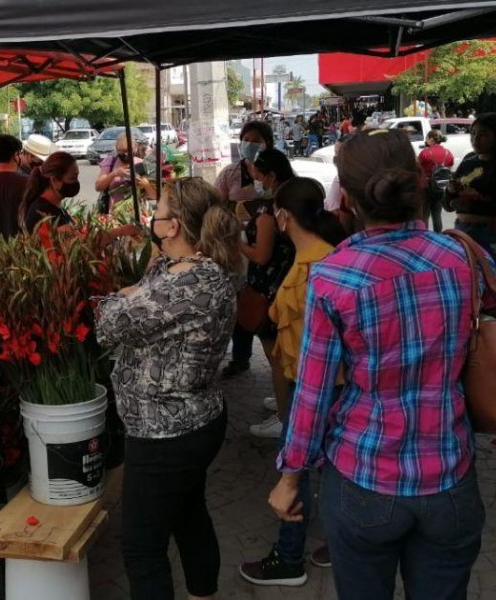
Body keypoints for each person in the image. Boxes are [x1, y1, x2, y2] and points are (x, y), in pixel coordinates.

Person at [271, 128, 496, 600]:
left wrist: (291, 475)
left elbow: (313, 394)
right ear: (419, 182)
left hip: (363, 478)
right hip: (450, 476)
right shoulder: (463, 254)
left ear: (351, 199)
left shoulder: (334, 273)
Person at [94, 177, 241, 600]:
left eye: (155, 213)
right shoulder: (182, 268)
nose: (151, 220)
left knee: (142, 546)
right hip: (191, 422)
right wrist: (129, 295)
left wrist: (122, 297)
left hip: (166, 433)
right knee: (189, 516)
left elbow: (109, 323)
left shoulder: (190, 284)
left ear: (172, 226)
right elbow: (137, 295)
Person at [239, 178, 346, 587]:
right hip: (325, 381)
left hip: (317, 385)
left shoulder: (316, 267)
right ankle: (338, 543)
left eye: (273, 212)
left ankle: (288, 558)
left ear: (284, 216)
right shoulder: (323, 255)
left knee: (295, 468)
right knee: (333, 467)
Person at [226, 149, 296, 440]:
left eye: (257, 172)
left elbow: (260, 255)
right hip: (281, 283)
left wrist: (237, 240)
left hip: (269, 288)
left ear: (271, 175)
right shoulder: (285, 203)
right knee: (280, 356)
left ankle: (284, 417)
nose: (253, 177)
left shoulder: (270, 213)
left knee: (275, 357)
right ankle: (284, 405)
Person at [446, 112, 496, 282]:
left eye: (483, 134)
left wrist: (475, 206)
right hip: (463, 231)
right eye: (473, 133)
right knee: (466, 285)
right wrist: (451, 191)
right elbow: (448, 204)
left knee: (493, 286)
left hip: (495, 234)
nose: (476, 139)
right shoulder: (467, 162)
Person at [21, 151, 140, 241]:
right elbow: (83, 244)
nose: (76, 182)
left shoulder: (53, 205)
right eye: (72, 178)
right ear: (54, 180)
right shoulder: (43, 212)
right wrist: (121, 231)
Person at [214, 120, 274, 217]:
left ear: (267, 143)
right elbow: (215, 205)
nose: (250, 144)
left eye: (256, 141)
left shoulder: (279, 170)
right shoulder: (229, 172)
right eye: (246, 139)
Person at [95, 133, 149, 213]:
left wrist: (142, 183)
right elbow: (98, 187)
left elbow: (152, 193)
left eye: (128, 150)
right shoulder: (110, 162)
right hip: (114, 213)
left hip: (138, 212)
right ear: (117, 149)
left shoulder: (141, 163)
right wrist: (114, 173)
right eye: (122, 151)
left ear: (135, 148)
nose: (126, 154)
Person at [417, 129, 454, 233]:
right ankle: (438, 235)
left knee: (425, 214)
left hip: (426, 187)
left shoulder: (425, 152)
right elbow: (449, 171)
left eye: (427, 138)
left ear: (431, 139)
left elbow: (417, 169)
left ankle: (425, 236)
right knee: (437, 213)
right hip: (440, 187)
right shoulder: (448, 153)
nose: (426, 140)